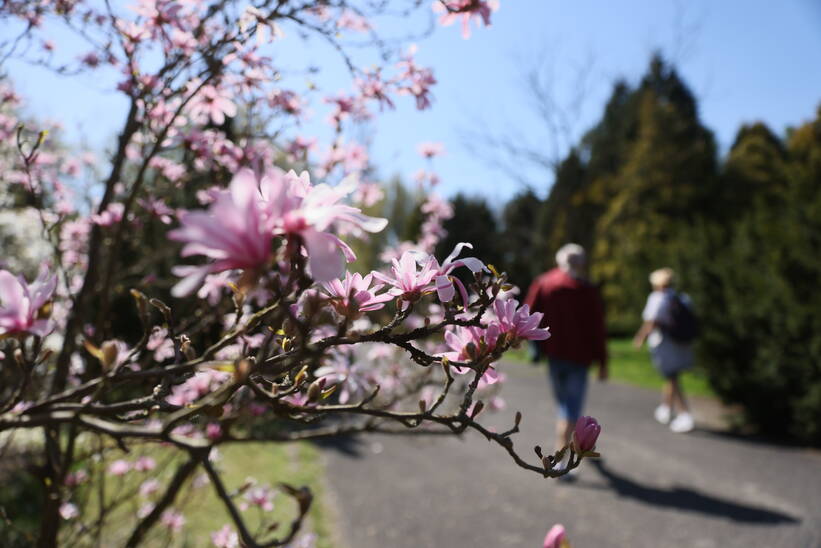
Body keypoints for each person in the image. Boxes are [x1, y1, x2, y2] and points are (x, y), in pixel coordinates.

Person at [525, 243, 608, 467]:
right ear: (580, 262)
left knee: (564, 404)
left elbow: (528, 313)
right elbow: (597, 328)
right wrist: (602, 361)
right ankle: (561, 453)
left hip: (553, 355)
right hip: (579, 358)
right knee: (570, 408)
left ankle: (564, 449)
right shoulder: (586, 289)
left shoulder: (544, 282)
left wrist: (526, 342)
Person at [633, 267, 695, 433]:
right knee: (671, 377)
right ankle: (666, 408)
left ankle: (685, 415)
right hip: (681, 344)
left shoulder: (657, 298)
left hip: (665, 344)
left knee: (672, 377)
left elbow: (650, 321)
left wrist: (640, 338)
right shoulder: (682, 298)